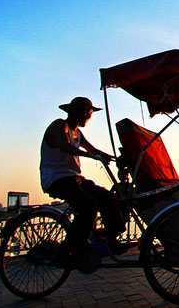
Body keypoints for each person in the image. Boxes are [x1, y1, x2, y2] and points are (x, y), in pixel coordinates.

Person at [40, 96, 128, 263]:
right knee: (88, 207)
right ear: (82, 113)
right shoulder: (60, 125)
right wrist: (91, 156)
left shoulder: (77, 133)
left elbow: (92, 149)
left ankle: (111, 239)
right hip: (56, 179)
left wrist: (111, 157)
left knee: (109, 198)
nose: (89, 117)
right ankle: (65, 252)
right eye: (89, 114)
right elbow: (65, 147)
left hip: (75, 179)